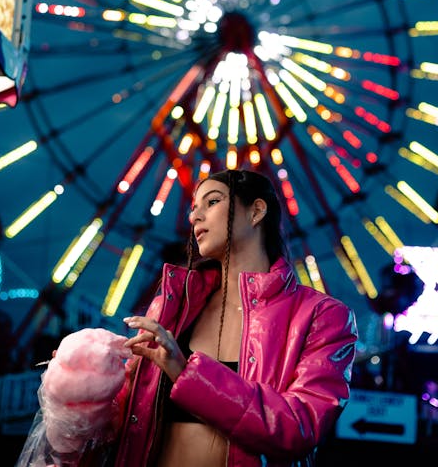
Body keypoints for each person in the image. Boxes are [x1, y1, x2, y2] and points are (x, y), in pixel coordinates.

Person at [110, 167, 358, 467]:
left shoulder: (323, 317)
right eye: (193, 208)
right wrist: (84, 384)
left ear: (256, 211)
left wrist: (184, 373)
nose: (194, 217)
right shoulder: (173, 306)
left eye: (212, 202)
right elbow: (125, 419)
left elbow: (298, 427)